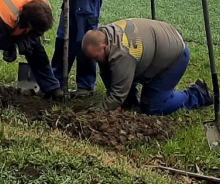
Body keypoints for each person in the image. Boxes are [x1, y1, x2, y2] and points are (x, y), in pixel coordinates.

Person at [81, 18, 211, 116]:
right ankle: (130, 101)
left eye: (95, 57)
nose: (94, 61)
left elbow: (117, 94)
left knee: (153, 108)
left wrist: (94, 112)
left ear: (104, 46)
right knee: (109, 69)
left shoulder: (122, 53)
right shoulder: (106, 34)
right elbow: (109, 74)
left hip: (174, 56)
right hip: (160, 43)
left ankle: (198, 94)